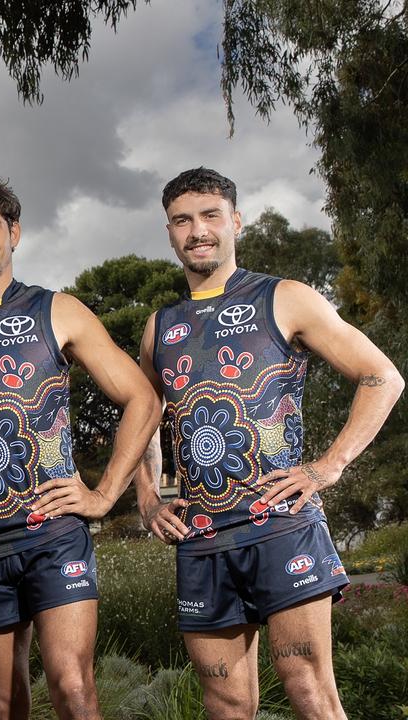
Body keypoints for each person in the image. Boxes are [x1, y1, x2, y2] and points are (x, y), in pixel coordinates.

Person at [134, 167, 403, 720]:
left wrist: (327, 468)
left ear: (236, 221)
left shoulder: (284, 297)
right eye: (182, 221)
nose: (198, 230)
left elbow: (383, 377)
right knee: (226, 703)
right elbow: (144, 417)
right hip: (201, 539)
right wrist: (147, 498)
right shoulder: (160, 327)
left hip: (282, 524)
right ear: (169, 233)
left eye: (210, 216)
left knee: (308, 689)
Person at [0, 168, 161, 720]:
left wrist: (105, 492)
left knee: (73, 686)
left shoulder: (57, 310)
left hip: (55, 534)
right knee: (3, 703)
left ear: (14, 233)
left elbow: (142, 397)